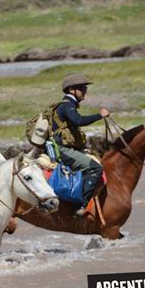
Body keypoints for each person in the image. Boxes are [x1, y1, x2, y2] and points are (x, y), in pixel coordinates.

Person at [52, 73, 110, 218]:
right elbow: (79, 121)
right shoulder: (67, 105)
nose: (85, 90)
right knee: (95, 168)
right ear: (72, 90)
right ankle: (83, 206)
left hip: (66, 147)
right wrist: (99, 115)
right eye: (82, 88)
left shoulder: (68, 104)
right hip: (62, 150)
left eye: (85, 88)